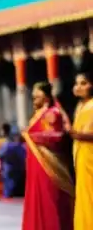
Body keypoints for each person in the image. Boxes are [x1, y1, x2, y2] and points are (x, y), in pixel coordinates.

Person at [21, 80, 74, 229]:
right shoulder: (39, 113)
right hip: (37, 163)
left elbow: (57, 136)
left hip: (48, 164)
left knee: (49, 197)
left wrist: (33, 136)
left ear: (46, 98)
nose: (34, 100)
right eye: (33, 97)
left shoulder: (52, 113)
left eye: (36, 97)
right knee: (37, 196)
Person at [70, 71, 93, 229]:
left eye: (83, 83)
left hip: (91, 156)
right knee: (83, 195)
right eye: (77, 83)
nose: (78, 87)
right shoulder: (80, 106)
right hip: (81, 156)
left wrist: (78, 135)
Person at [0, 123, 26, 199]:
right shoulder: (21, 146)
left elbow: (0, 154)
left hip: (10, 171)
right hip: (18, 171)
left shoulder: (7, 145)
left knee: (9, 193)